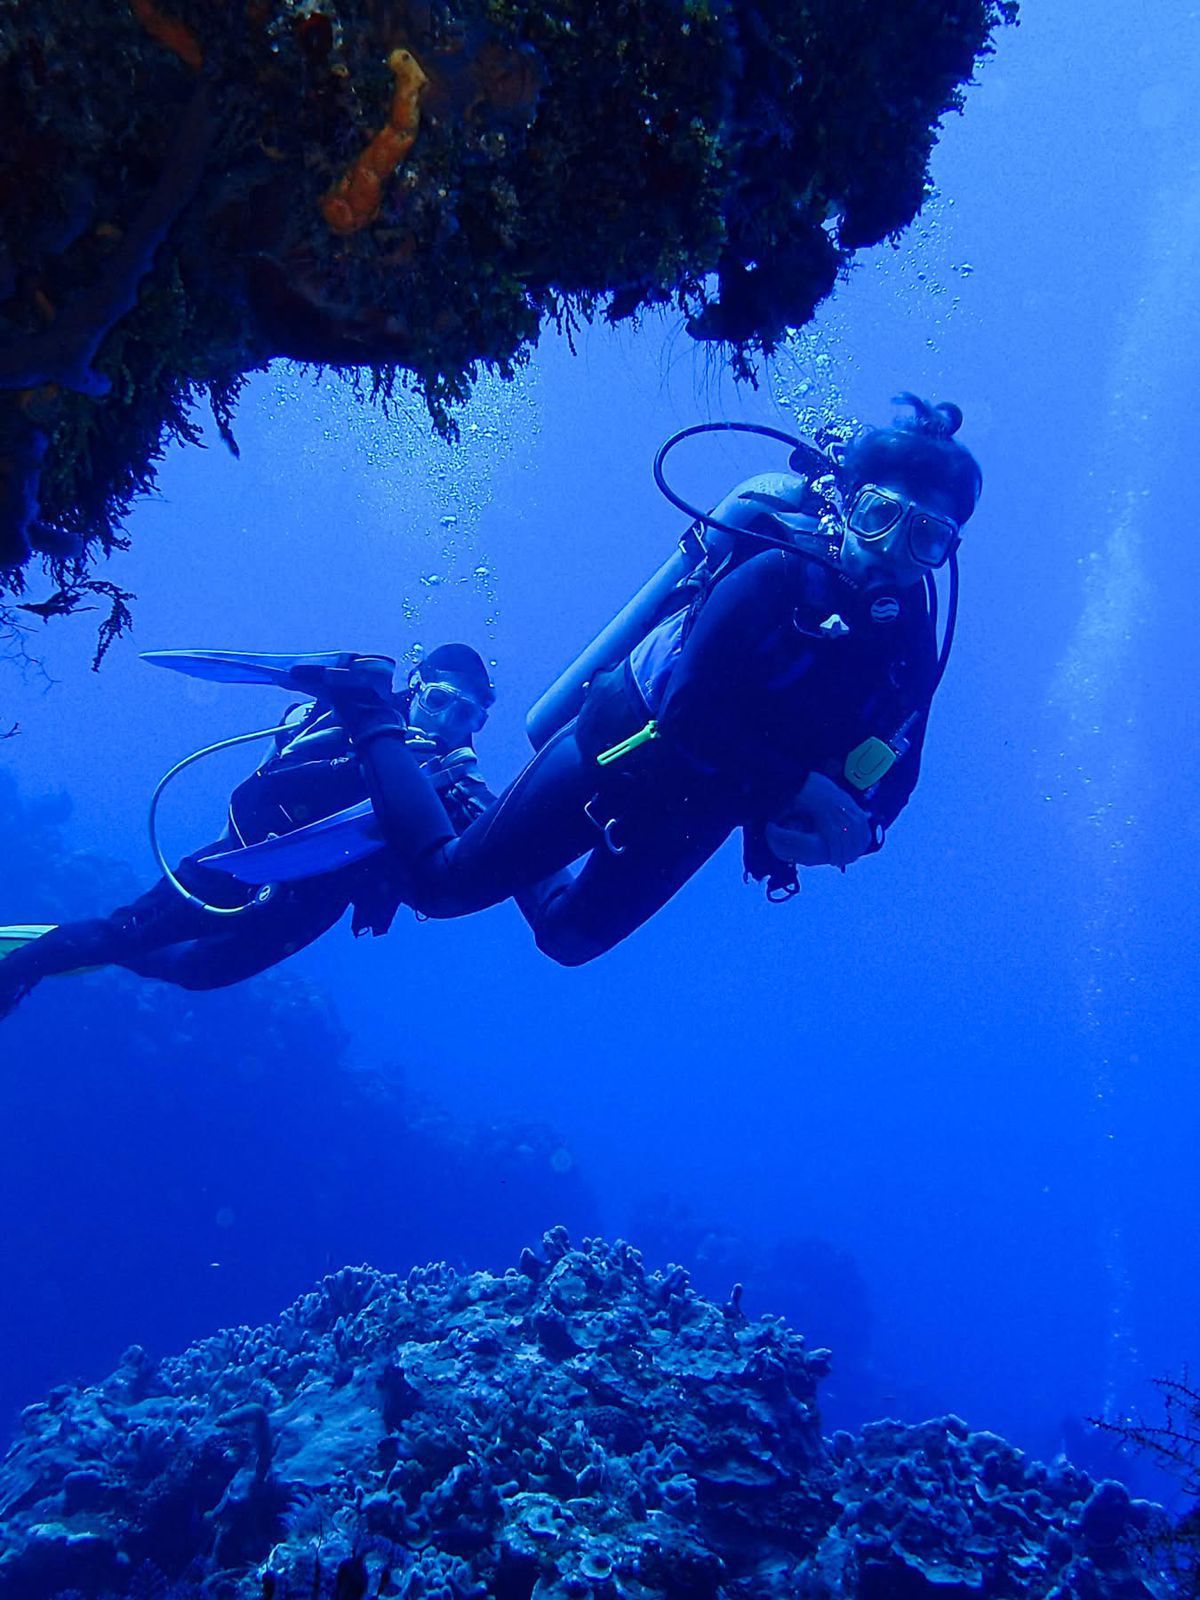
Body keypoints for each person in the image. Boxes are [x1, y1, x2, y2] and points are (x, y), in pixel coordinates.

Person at [211, 393, 982, 966]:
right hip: (620, 751)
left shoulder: (912, 639)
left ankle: (463, 799)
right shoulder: (778, 573)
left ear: (946, 551)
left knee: (568, 941)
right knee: (440, 889)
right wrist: (802, 788)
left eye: (926, 537)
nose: (893, 550)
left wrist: (857, 834)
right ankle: (368, 702)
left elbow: (900, 764)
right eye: (880, 515)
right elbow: (688, 712)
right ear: (846, 503)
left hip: (704, 808)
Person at [0, 644, 502, 1017]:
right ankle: (21, 967)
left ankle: (114, 953)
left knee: (197, 974)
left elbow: (445, 875)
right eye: (438, 701)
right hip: (240, 866)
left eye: (464, 714)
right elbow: (256, 794)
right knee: (119, 935)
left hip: (315, 904)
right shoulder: (348, 724)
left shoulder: (455, 785)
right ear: (414, 688)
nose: (445, 723)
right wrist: (363, 765)